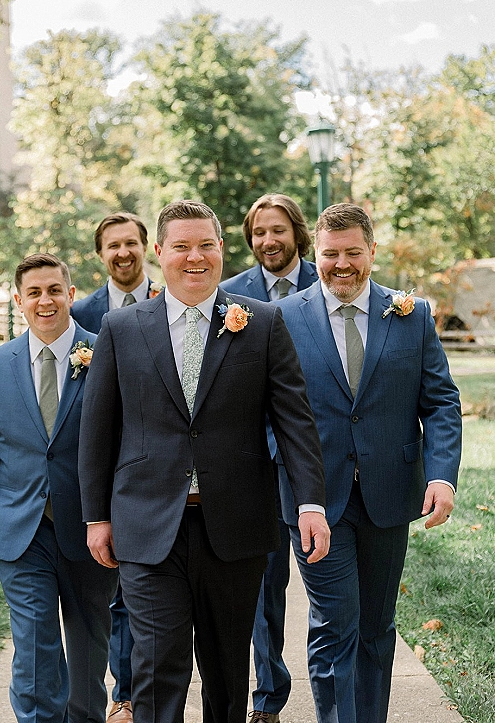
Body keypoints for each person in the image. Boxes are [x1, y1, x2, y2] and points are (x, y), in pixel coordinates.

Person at [78, 200, 330, 723]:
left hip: (235, 527)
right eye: (182, 246)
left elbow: (295, 422)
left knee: (227, 672)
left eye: (206, 245)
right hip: (147, 526)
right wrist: (96, 517)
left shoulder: (261, 323)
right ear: (160, 252)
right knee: (155, 668)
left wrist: (310, 502)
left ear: (221, 249)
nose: (195, 257)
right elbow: (97, 432)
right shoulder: (120, 329)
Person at [277, 203, 462, 723]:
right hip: (315, 501)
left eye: (353, 253)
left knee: (378, 628)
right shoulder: (283, 319)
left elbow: (441, 401)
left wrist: (442, 473)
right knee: (337, 625)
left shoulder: (413, 314)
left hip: (389, 494)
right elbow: (268, 412)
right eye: (331, 254)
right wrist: (291, 478)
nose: (342, 264)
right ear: (316, 253)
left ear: (372, 251)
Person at [0, 253, 118, 723]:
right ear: (19, 301)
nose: (44, 300)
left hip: (91, 527)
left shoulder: (106, 352)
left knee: (90, 641)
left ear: (70, 294)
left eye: (54, 290)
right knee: (33, 644)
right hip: (20, 530)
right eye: (34, 293)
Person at [219, 193, 318, 723]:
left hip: (319, 457)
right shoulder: (230, 295)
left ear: (296, 233)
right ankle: (268, 698)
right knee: (262, 587)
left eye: (277, 230)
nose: (267, 242)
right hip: (255, 464)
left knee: (323, 581)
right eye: (258, 233)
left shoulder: (327, 283)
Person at [72, 211, 158, 723]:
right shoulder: (82, 316)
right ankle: (125, 694)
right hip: (114, 467)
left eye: (131, 243)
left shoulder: (173, 300)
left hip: (166, 464)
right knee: (119, 594)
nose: (123, 253)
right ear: (101, 255)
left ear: (145, 246)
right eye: (113, 246)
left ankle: (143, 690)